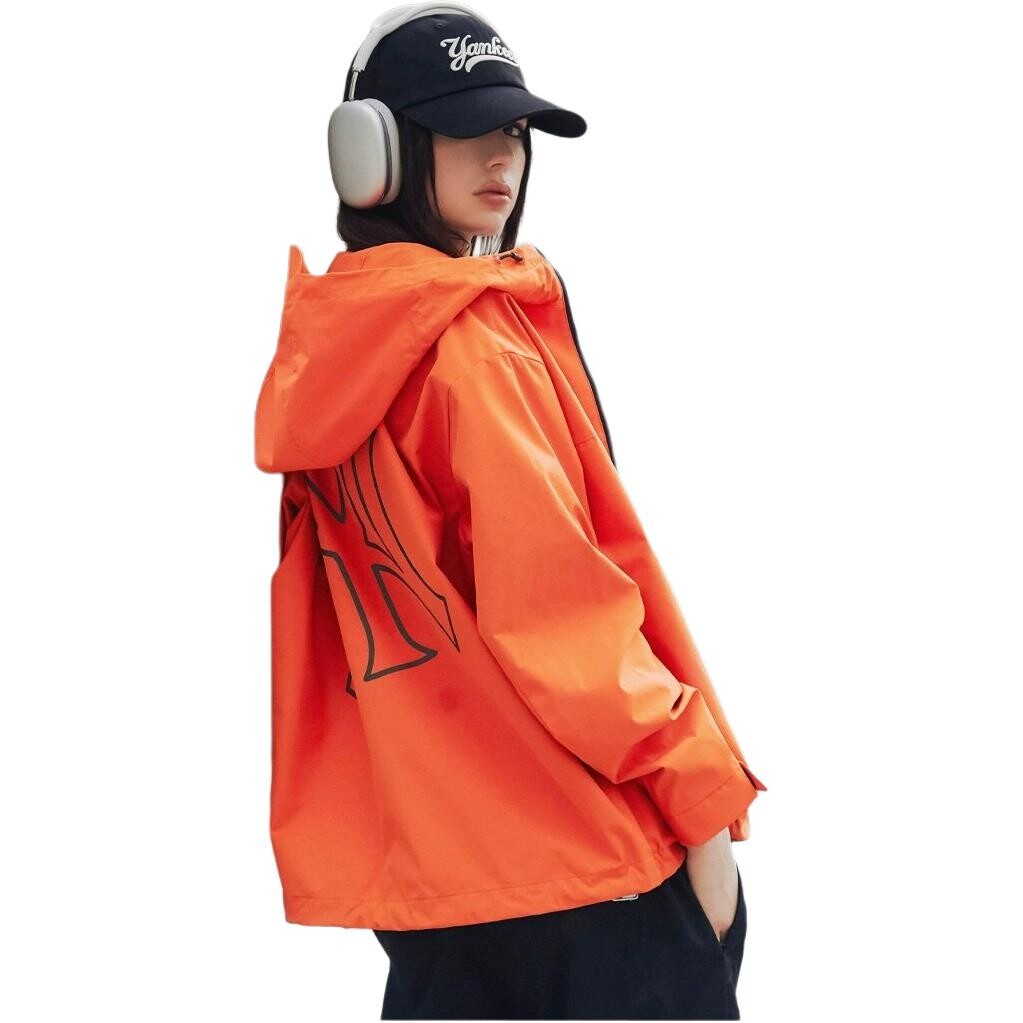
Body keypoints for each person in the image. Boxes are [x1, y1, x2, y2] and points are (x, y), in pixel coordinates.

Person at [253, 3, 768, 1019]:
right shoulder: (466, 345)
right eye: (465, 127)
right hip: (593, 876)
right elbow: (561, 615)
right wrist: (704, 813)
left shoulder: (331, 353)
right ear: (374, 152)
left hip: (443, 884)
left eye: (516, 130)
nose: (503, 156)